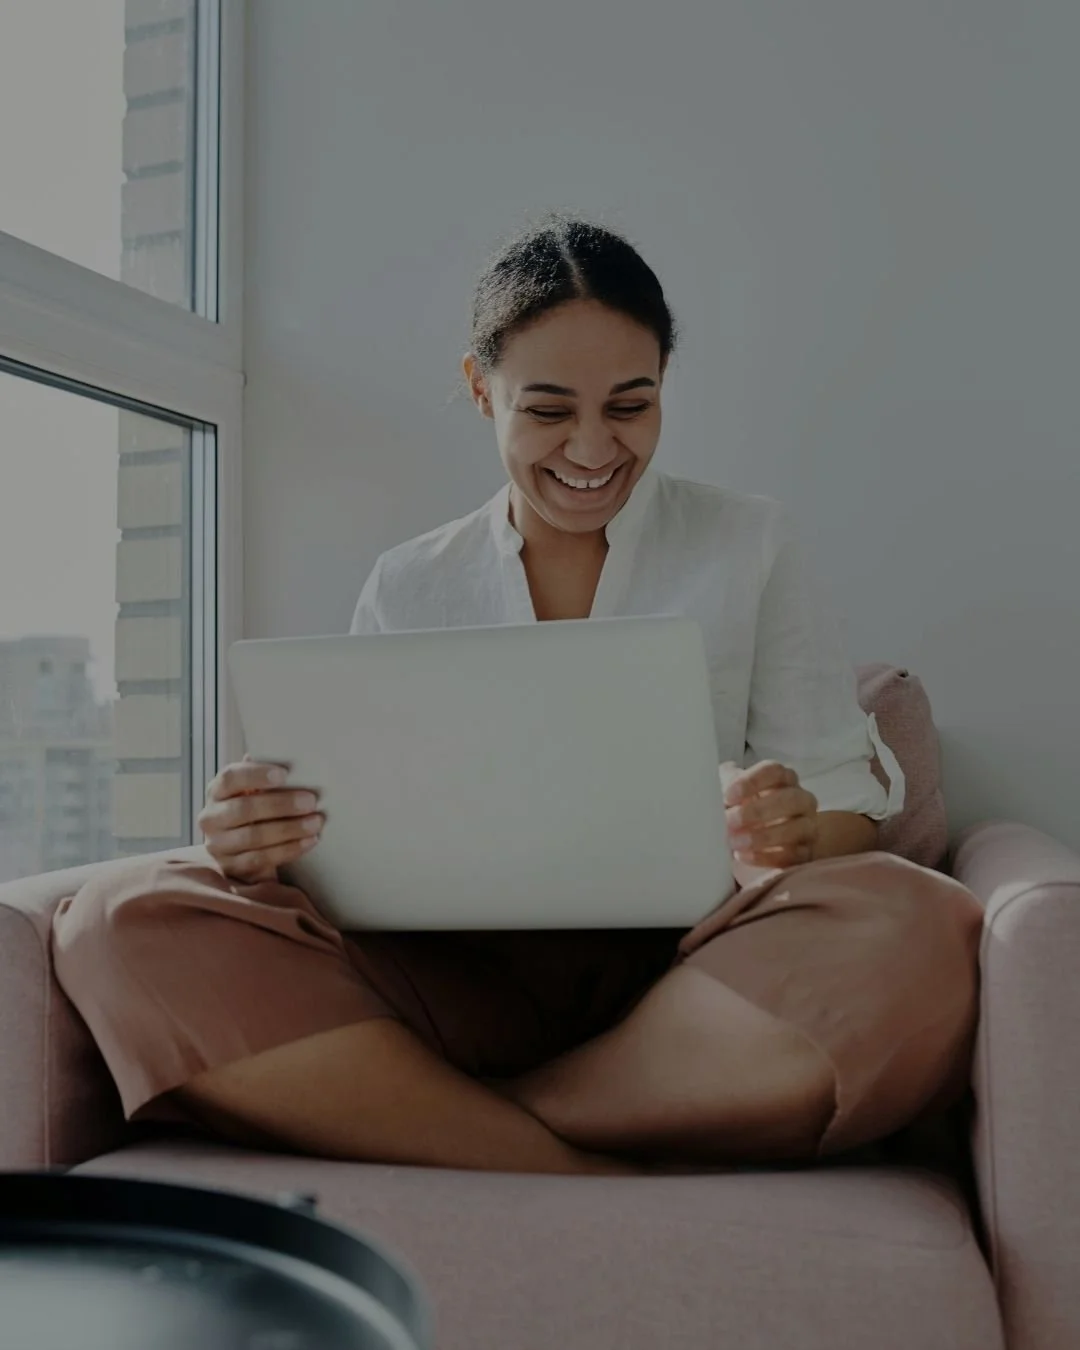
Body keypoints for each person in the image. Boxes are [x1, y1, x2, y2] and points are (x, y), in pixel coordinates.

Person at [52, 216, 982, 1177]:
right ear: (478, 388)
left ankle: (447, 1123)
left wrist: (790, 829)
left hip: (694, 988)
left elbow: (849, 824)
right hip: (449, 984)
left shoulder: (750, 544)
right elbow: (351, 854)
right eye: (546, 410)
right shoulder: (410, 582)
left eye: (632, 405)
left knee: (923, 927)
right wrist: (257, 846)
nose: (592, 447)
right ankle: (578, 1160)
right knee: (119, 919)